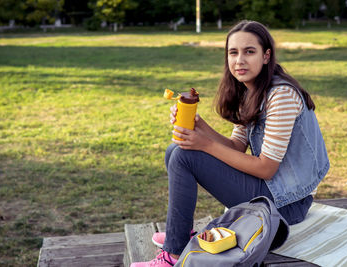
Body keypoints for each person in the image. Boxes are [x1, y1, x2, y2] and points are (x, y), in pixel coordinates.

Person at [131, 20, 329, 267]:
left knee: (185, 156)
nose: (239, 61)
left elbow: (266, 168)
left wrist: (205, 145)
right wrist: (199, 126)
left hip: (288, 205)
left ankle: (172, 255)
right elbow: (236, 146)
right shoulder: (250, 92)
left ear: (266, 56)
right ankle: (178, 234)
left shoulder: (282, 95)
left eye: (249, 52)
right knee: (176, 150)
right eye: (233, 53)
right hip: (273, 191)